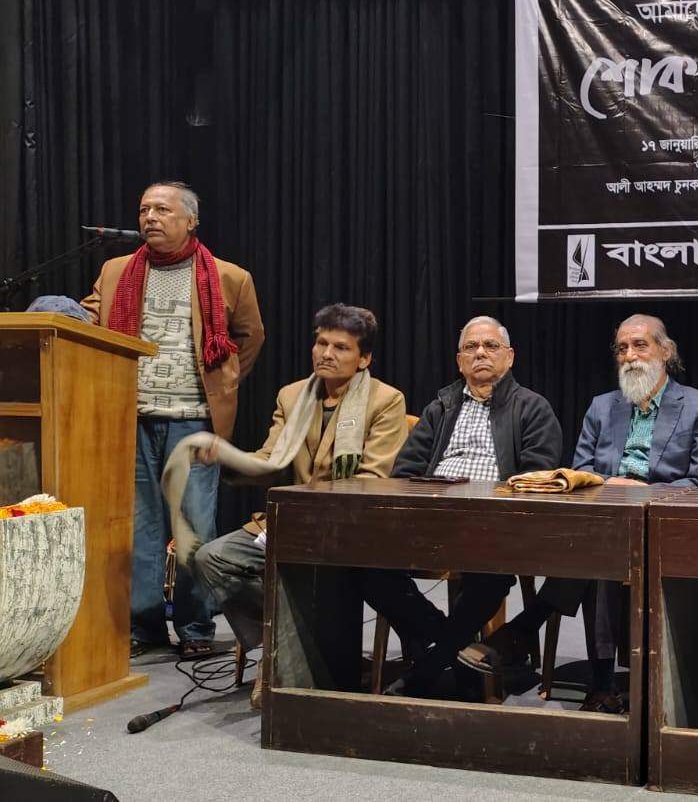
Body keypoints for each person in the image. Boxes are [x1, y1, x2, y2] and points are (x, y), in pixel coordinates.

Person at [461, 313, 698, 712]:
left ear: (665, 351)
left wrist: (643, 491)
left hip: (665, 525)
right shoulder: (602, 407)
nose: (629, 355)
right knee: (602, 552)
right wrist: (607, 488)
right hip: (608, 522)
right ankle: (593, 682)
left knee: (598, 554)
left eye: (640, 345)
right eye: (622, 348)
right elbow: (581, 472)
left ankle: (537, 640)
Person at [80, 181, 265, 659]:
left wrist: (223, 382)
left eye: (162, 209)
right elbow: (87, 320)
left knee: (193, 528)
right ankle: (145, 627)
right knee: (139, 527)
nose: (150, 217)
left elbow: (250, 337)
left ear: (191, 220)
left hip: (194, 421)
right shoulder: (116, 270)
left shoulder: (229, 277)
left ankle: (196, 627)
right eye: (144, 209)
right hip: (131, 417)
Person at [189, 304, 407, 664]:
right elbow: (270, 461)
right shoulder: (291, 396)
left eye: (341, 347)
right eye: (321, 343)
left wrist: (310, 512)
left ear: (364, 359)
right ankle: (291, 637)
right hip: (290, 523)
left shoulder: (385, 400)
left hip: (349, 524)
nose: (326, 354)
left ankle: (295, 653)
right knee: (211, 558)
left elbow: (371, 481)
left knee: (322, 572)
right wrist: (226, 457)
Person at [367, 315, 564, 697]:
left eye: (491, 346)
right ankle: (454, 647)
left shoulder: (532, 408)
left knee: (489, 569)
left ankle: (429, 665)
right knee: (365, 563)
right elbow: (405, 471)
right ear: (459, 361)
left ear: (509, 356)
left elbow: (538, 476)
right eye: (471, 347)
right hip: (431, 518)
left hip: (495, 523)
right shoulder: (440, 408)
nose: (480, 353)